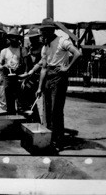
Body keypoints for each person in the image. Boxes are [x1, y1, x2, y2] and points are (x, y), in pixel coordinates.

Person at [36, 18, 81, 152]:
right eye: (42, 31)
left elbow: (78, 53)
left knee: (56, 111)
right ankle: (50, 139)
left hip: (59, 79)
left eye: (45, 31)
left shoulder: (62, 41)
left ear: (51, 30)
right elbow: (44, 68)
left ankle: (58, 141)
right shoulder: (45, 47)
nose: (42, 33)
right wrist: (39, 88)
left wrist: (68, 67)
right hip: (48, 78)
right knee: (48, 111)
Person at [0, 28, 25, 114]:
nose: (14, 39)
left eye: (16, 37)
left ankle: (21, 122)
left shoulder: (22, 50)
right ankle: (11, 122)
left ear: (18, 38)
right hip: (8, 78)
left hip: (19, 78)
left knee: (21, 103)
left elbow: (27, 64)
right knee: (9, 103)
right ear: (9, 38)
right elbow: (0, 65)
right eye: (12, 37)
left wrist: (21, 68)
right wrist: (5, 66)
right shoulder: (4, 51)